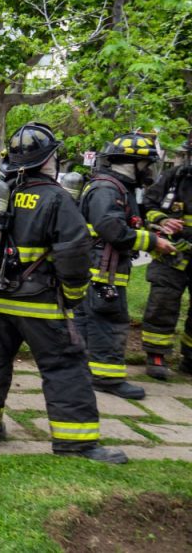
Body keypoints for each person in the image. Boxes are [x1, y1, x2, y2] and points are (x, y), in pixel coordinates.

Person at [0, 122, 126, 463]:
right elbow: (74, 252)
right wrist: (74, 295)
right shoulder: (57, 198)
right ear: (49, 160)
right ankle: (76, 442)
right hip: (40, 305)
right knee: (64, 366)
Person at [75, 133, 176, 398]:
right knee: (108, 322)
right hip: (102, 272)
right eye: (147, 164)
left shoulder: (117, 187)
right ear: (132, 163)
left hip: (100, 268)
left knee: (91, 321)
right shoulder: (107, 189)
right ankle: (107, 379)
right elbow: (113, 231)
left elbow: (127, 222)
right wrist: (154, 242)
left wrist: (155, 225)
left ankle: (85, 372)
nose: (150, 170)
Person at [141, 131, 192, 379]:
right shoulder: (174, 178)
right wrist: (162, 220)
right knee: (163, 304)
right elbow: (147, 206)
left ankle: (190, 360)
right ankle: (157, 355)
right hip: (171, 256)